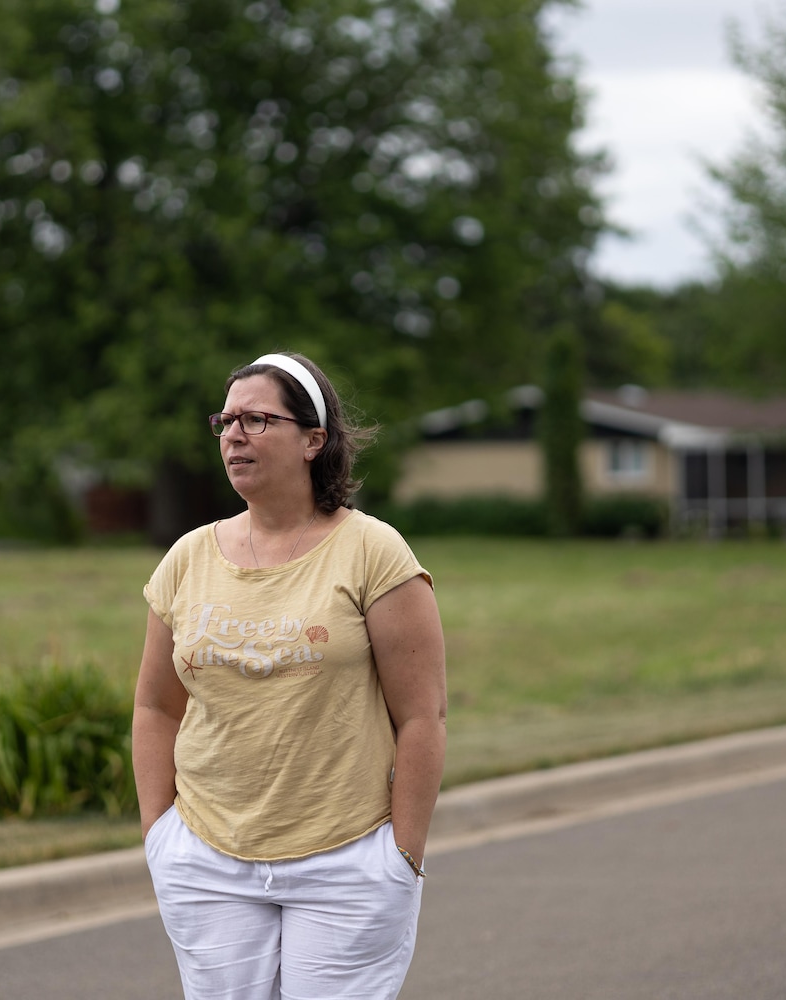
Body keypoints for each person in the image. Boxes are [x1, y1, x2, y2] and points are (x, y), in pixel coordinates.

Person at [132, 351, 447, 1000]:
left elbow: (422, 714)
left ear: (313, 440)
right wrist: (159, 833)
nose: (234, 434)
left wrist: (402, 855)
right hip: (206, 857)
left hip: (346, 858)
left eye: (256, 419)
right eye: (225, 420)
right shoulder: (188, 558)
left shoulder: (372, 552)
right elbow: (155, 707)